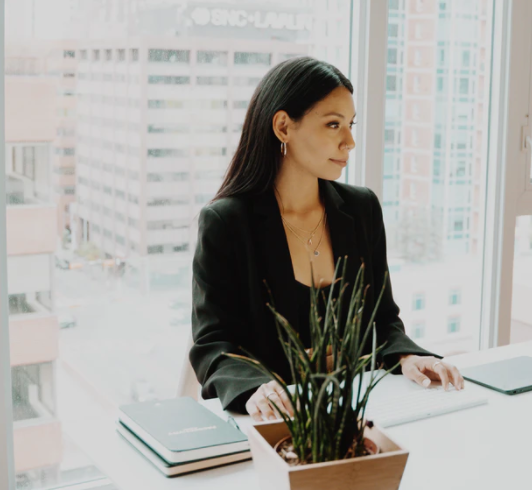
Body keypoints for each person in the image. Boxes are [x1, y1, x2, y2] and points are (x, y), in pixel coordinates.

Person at [190, 56, 464, 422]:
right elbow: (213, 343)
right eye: (333, 124)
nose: (349, 141)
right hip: (278, 419)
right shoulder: (227, 222)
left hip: (362, 411)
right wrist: (256, 387)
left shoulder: (362, 208)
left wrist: (407, 356)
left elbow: (383, 318)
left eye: (350, 125)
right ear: (283, 126)